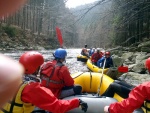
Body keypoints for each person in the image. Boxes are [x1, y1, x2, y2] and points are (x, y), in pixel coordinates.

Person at [0, 51, 88, 113]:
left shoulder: (10, 78)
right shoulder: (31, 87)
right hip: (56, 93)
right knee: (78, 88)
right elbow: (57, 107)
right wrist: (77, 102)